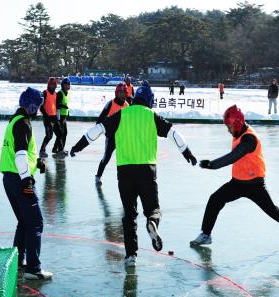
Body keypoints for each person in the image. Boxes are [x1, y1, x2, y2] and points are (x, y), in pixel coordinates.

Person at [70, 83, 197, 267]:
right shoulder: (152, 116)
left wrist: (77, 147)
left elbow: (96, 130)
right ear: (150, 101)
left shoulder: (122, 114)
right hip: (147, 170)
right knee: (153, 209)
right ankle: (152, 222)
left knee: (129, 215)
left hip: (125, 172)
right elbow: (174, 134)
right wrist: (187, 153)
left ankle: (131, 256)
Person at [190, 105, 279, 248]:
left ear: (237, 123)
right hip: (237, 183)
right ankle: (206, 235)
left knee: (272, 210)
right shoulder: (237, 133)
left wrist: (212, 164)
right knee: (215, 199)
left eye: (229, 126)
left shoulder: (249, 139)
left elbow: (233, 156)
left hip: (255, 185)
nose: (228, 129)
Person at [0, 87, 52, 280]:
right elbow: (20, 154)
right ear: (30, 106)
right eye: (37, 106)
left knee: (24, 221)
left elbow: (21, 152)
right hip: (20, 180)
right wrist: (27, 180)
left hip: (9, 178)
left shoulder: (15, 120)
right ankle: (33, 268)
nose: (38, 110)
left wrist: (36, 162)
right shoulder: (23, 124)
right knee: (35, 222)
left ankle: (18, 260)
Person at [95, 82, 129, 185]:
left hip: (122, 137)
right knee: (106, 157)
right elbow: (99, 120)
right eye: (120, 92)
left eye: (124, 92)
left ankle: (124, 179)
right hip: (111, 137)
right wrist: (106, 130)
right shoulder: (110, 104)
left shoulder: (127, 105)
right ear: (116, 93)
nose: (122, 95)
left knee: (124, 158)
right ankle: (98, 176)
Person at [39, 77, 63, 157]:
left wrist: (60, 105)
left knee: (59, 133)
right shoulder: (45, 93)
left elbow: (55, 105)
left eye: (54, 85)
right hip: (47, 117)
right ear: (48, 85)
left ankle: (60, 150)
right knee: (49, 135)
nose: (52, 86)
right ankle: (42, 151)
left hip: (54, 116)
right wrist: (45, 114)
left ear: (56, 86)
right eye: (51, 85)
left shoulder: (56, 94)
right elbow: (41, 107)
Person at [53, 77, 70, 154]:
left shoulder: (67, 93)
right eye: (66, 85)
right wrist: (63, 106)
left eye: (68, 85)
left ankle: (57, 148)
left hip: (64, 117)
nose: (67, 86)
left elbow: (65, 104)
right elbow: (57, 105)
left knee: (64, 133)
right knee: (61, 134)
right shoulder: (60, 93)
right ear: (62, 85)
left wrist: (67, 113)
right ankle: (60, 149)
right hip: (59, 117)